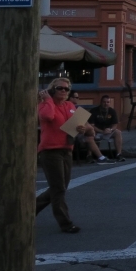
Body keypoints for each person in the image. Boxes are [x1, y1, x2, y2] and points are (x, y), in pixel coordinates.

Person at [36, 77, 93, 233]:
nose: (63, 91)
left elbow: (85, 126)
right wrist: (47, 99)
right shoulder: (45, 105)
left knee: (60, 188)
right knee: (58, 188)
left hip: (67, 149)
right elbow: (47, 117)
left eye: (66, 89)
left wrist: (83, 129)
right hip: (50, 150)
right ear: (52, 89)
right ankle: (65, 223)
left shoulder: (70, 106)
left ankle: (31, 209)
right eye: (60, 88)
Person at [89, 94, 125, 161]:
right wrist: (101, 131)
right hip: (96, 131)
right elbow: (91, 125)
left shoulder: (112, 111)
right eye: (104, 102)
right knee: (89, 133)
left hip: (107, 132)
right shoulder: (94, 111)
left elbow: (115, 125)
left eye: (108, 102)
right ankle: (89, 156)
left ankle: (119, 154)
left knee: (118, 132)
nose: (106, 104)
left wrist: (110, 129)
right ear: (101, 102)